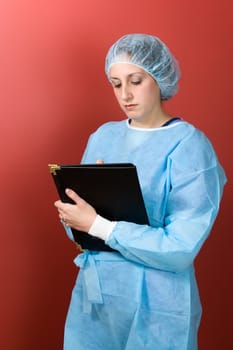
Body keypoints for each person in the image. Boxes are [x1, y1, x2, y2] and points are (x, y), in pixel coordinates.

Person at [54, 33, 226, 350]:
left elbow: (181, 246)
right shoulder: (103, 136)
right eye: (116, 84)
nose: (125, 94)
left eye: (135, 81)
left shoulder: (188, 145)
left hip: (159, 303)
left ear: (159, 78)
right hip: (99, 296)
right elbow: (80, 229)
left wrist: (99, 225)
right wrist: (74, 216)